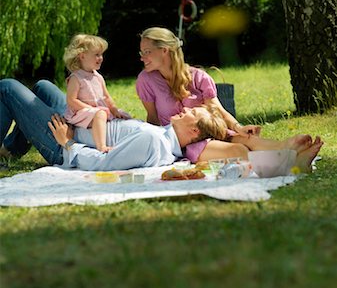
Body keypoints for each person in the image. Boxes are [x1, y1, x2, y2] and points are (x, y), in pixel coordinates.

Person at [136, 27, 323, 171]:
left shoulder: (198, 77)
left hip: (215, 131)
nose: (142, 58)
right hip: (185, 143)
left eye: (147, 52)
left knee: (248, 140)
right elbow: (152, 119)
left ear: (165, 51)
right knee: (238, 151)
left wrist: (238, 128)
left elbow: (217, 109)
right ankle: (291, 164)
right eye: (141, 53)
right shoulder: (146, 80)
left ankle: (290, 150)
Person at [0, 79, 227, 171]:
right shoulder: (162, 134)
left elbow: (103, 162)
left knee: (7, 87)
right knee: (43, 87)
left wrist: (66, 142)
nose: (186, 108)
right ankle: (11, 149)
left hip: (63, 143)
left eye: (192, 112)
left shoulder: (155, 142)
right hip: (81, 123)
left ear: (194, 131)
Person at [63, 34, 130, 153]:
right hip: (79, 112)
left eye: (101, 54)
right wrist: (90, 109)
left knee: (124, 115)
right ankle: (102, 146)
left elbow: (107, 97)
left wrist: (115, 110)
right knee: (100, 114)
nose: (101, 58)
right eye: (97, 55)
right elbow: (71, 100)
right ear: (82, 56)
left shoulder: (98, 77)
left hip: (97, 111)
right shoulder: (76, 78)